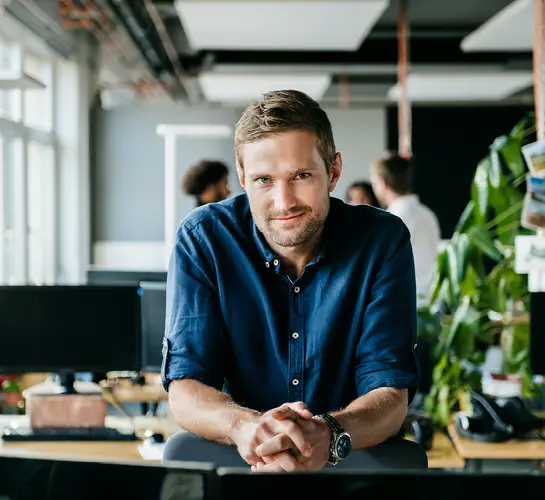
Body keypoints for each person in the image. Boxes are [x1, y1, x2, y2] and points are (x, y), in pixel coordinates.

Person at [162, 90, 425, 472]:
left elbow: (390, 393)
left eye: (301, 176)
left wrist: (329, 433)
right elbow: (185, 388)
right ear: (242, 179)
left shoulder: (381, 241)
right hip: (242, 464)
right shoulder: (204, 239)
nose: (284, 202)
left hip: (351, 467)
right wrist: (247, 427)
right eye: (264, 180)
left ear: (333, 171)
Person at [370, 153, 440, 308]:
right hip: (432, 304)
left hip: (405, 306)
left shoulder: (390, 220)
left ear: (382, 182)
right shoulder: (428, 214)